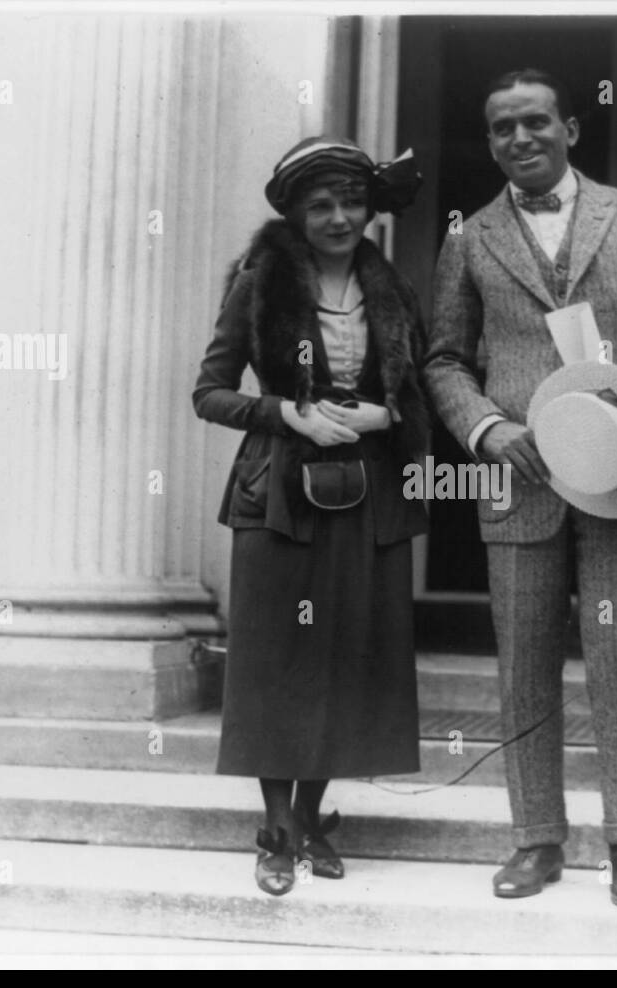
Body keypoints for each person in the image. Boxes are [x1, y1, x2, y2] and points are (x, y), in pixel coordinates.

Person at [423, 70, 617, 909]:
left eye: (536, 123)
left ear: (572, 129)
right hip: (523, 481)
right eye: (503, 128)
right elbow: (444, 359)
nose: (521, 139)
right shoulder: (469, 240)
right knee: (524, 666)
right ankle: (536, 840)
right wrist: (487, 430)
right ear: (490, 141)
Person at [193, 137, 428, 896]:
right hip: (279, 497)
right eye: (321, 205)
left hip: (370, 494)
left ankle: (313, 813)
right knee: (276, 658)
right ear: (295, 212)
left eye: (351, 203)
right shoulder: (262, 282)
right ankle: (278, 827)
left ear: (371, 210)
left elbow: (415, 394)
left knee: (346, 654)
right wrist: (288, 414)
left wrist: (382, 418)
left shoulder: (389, 289)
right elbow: (210, 391)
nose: (338, 217)